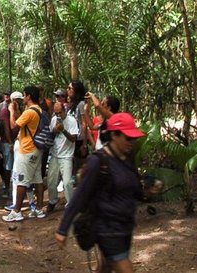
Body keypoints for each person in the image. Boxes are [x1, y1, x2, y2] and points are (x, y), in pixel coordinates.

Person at [56, 113, 151, 273]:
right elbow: (80, 195)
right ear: (114, 135)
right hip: (107, 229)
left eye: (133, 138)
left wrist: (148, 190)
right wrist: (63, 229)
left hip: (125, 227)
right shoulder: (98, 162)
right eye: (128, 138)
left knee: (105, 268)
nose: (132, 142)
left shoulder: (127, 158)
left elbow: (134, 189)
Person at [3, 86, 46, 222]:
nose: (23, 98)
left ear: (28, 96)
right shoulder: (38, 110)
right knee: (37, 179)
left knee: (21, 181)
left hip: (27, 149)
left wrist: (11, 111)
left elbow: (13, 127)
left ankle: (17, 211)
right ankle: (39, 209)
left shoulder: (29, 112)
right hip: (37, 149)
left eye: (24, 95)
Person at [45, 100, 78, 214]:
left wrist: (63, 130)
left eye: (60, 112)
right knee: (51, 180)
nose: (58, 115)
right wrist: (55, 130)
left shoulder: (72, 120)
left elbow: (73, 139)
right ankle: (52, 201)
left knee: (67, 182)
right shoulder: (54, 119)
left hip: (67, 155)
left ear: (64, 110)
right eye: (56, 113)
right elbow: (51, 134)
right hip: (55, 154)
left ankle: (71, 204)